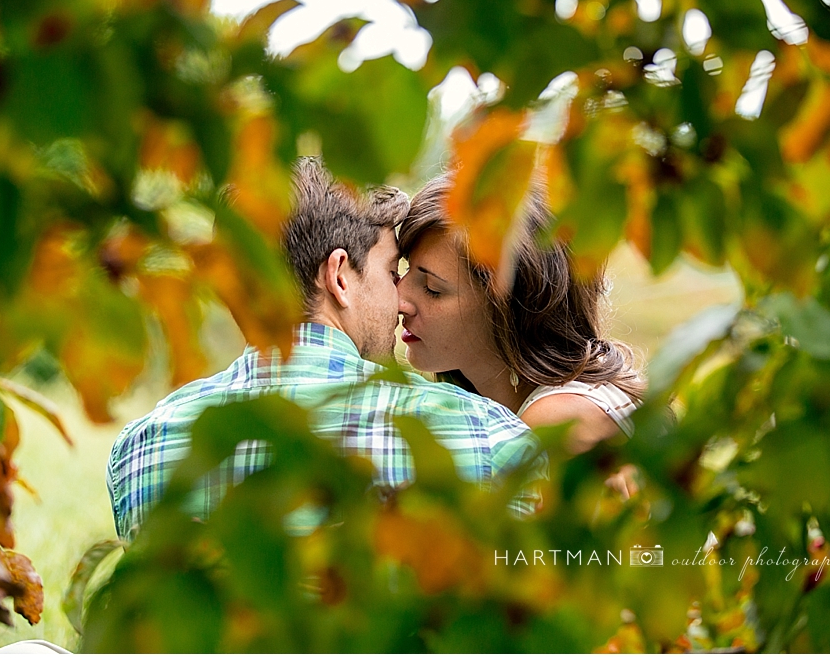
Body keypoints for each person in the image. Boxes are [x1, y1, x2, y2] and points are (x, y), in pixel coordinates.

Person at [107, 158, 545, 541]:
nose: (400, 299)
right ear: (338, 277)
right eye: (392, 271)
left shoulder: (144, 445)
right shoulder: (487, 437)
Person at [396, 173, 644, 498]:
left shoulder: (558, 422)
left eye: (433, 289)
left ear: (511, 308)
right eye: (402, 271)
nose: (400, 299)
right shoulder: (522, 404)